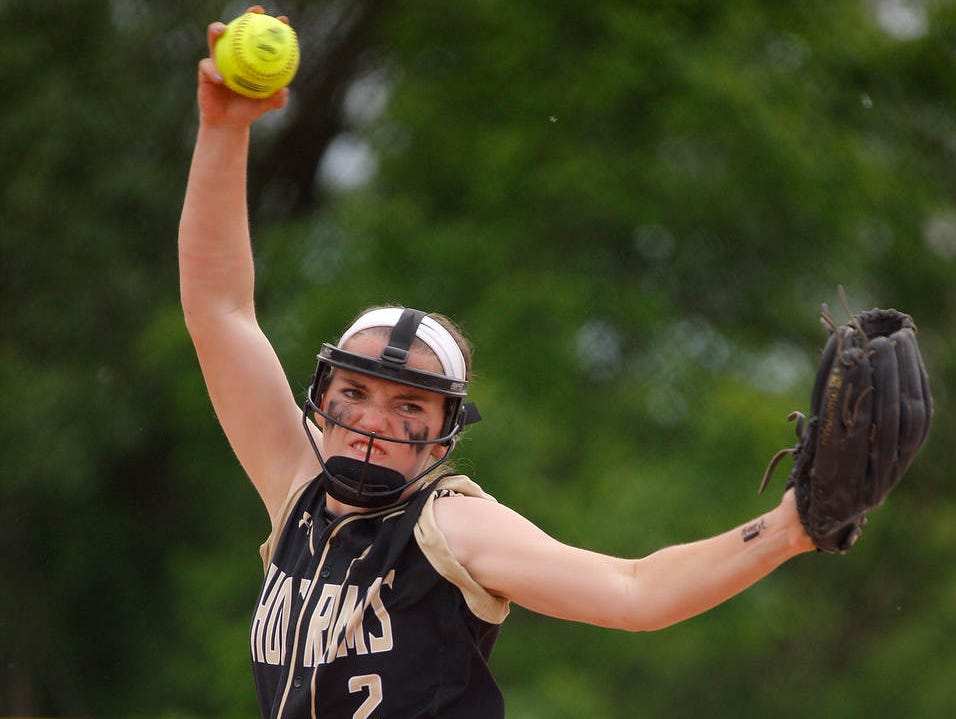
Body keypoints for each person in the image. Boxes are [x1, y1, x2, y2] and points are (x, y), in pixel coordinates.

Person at [179, 7, 815, 718]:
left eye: (408, 405)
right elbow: (219, 310)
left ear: (446, 432)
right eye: (356, 389)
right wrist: (224, 129)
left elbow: (637, 591)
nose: (370, 419)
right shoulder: (296, 490)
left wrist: (789, 528)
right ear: (320, 395)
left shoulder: (448, 527)